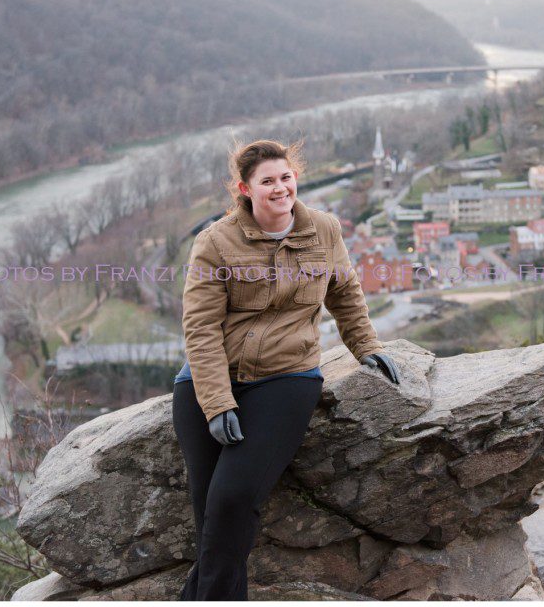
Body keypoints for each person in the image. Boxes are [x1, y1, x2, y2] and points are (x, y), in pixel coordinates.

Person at [171, 139, 400, 601]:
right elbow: (200, 329)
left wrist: (366, 347)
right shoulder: (215, 242)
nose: (280, 188)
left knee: (232, 499)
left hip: (286, 377)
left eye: (286, 177)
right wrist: (216, 403)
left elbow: (345, 293)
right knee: (211, 514)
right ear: (245, 189)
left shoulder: (324, 230)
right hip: (210, 379)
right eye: (267, 181)